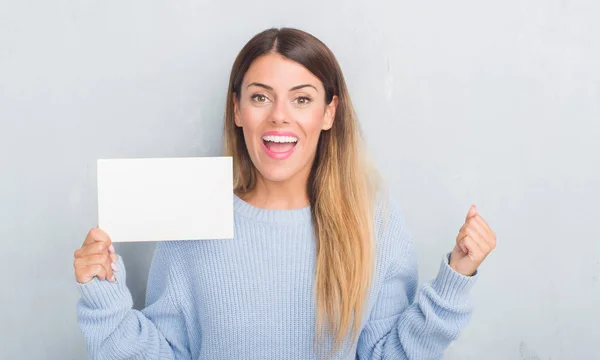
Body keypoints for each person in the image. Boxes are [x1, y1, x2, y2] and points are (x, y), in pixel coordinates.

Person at [74, 27, 496, 360]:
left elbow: (388, 355)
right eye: (261, 97)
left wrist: (455, 278)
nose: (279, 116)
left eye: (301, 99)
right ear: (237, 109)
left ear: (328, 113)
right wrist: (105, 297)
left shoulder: (373, 221)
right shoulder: (193, 215)